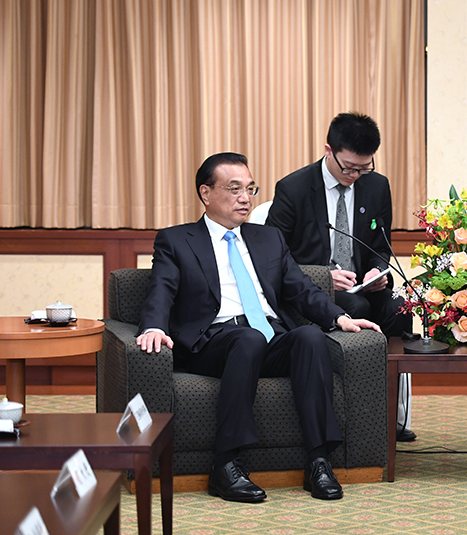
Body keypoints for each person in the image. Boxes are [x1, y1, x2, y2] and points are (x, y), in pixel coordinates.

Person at [137, 153, 381, 503]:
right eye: (234, 189)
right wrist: (152, 327)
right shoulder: (177, 240)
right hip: (213, 344)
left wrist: (339, 317)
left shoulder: (268, 238)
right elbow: (161, 288)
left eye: (250, 189)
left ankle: (318, 462)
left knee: (310, 337)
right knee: (247, 339)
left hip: (267, 338)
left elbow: (301, 289)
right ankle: (226, 465)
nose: (245, 198)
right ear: (206, 193)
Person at [266, 112, 416, 441]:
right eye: (348, 167)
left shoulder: (377, 186)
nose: (354, 175)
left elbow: (381, 244)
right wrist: (323, 277)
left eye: (363, 168)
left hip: (364, 285)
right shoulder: (293, 188)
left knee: (399, 308)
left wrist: (377, 269)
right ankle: (357, 419)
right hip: (314, 290)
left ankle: (392, 415)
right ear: (328, 151)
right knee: (357, 307)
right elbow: (271, 256)